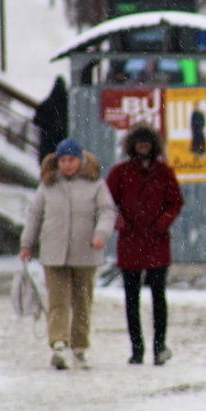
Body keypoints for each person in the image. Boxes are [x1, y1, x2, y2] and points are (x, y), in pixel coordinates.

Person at [19, 138, 116, 370]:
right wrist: (27, 243)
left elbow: (107, 211)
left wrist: (101, 234)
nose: (67, 165)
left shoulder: (96, 185)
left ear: (81, 160)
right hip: (54, 252)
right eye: (62, 160)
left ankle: (79, 347)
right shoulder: (48, 185)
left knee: (82, 302)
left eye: (71, 160)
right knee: (58, 301)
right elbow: (34, 216)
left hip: (86, 251)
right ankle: (58, 344)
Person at [105, 123, 184, 366]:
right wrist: (121, 223)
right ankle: (136, 349)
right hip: (130, 242)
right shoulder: (120, 173)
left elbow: (175, 202)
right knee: (131, 298)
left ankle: (159, 346)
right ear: (132, 146)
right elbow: (107, 203)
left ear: (153, 146)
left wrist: (162, 223)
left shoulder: (164, 172)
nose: (143, 148)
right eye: (139, 144)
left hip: (156, 242)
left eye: (146, 144)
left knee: (158, 296)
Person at [33, 77, 69, 165]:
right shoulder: (68, 105)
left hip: (47, 145)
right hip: (62, 145)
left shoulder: (47, 103)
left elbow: (36, 120)